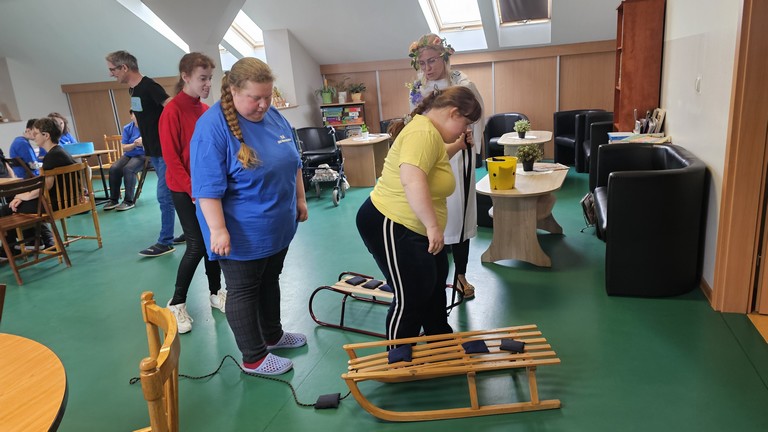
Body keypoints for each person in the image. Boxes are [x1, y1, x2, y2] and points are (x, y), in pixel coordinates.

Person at [190, 57, 308, 375]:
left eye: (267, 96)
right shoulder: (212, 128)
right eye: (255, 98)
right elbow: (206, 189)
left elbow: (294, 160)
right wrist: (218, 230)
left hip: (278, 223)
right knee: (243, 290)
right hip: (241, 230)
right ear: (233, 90)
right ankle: (254, 358)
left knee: (270, 279)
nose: (263, 104)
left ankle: (273, 336)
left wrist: (300, 199)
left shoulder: (273, 117)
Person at [356, 86, 482, 342]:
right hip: (392, 222)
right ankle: (399, 355)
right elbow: (412, 180)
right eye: (466, 123)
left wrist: (457, 146)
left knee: (434, 281)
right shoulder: (422, 132)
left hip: (413, 224)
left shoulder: (430, 132)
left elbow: (434, 158)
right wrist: (433, 226)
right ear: (453, 113)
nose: (465, 129)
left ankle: (439, 340)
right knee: (412, 293)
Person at [407, 34, 484, 299]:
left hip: (458, 155)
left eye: (431, 61)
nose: (427, 68)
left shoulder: (463, 84)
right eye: (422, 63)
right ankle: (433, 275)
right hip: (429, 156)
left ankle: (460, 275)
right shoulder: (417, 88)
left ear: (444, 58)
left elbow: (476, 117)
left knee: (459, 215)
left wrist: (470, 145)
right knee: (431, 212)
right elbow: (414, 120)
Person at [160, 52, 226, 334]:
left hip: (206, 189)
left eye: (210, 78)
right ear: (185, 77)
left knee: (213, 244)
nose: (208, 83)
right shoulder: (172, 111)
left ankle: (215, 292)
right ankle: (176, 302)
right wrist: (194, 192)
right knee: (197, 245)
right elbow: (171, 160)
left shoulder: (206, 109)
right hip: (184, 189)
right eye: (202, 78)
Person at [106, 50, 177, 257]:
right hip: (153, 150)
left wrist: (169, 136)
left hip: (165, 151)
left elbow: (172, 107)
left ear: (124, 68)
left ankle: (165, 242)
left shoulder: (149, 86)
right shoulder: (133, 90)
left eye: (113, 69)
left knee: (164, 197)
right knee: (174, 195)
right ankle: (191, 234)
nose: (111, 74)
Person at [2, 118, 77, 250]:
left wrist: (22, 197)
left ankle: (10, 249)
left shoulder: (51, 156)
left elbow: (46, 186)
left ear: (46, 135)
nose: (33, 136)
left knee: (6, 210)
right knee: (16, 204)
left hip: (55, 203)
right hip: (68, 200)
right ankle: (34, 241)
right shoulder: (61, 152)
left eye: (36, 133)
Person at [103, 110, 145, 211]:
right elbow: (124, 148)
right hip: (129, 154)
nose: (137, 116)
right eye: (134, 114)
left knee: (128, 169)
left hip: (144, 155)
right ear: (131, 116)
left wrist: (143, 142)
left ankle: (128, 201)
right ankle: (113, 200)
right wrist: (134, 144)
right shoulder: (127, 128)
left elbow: (154, 143)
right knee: (114, 168)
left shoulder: (147, 126)